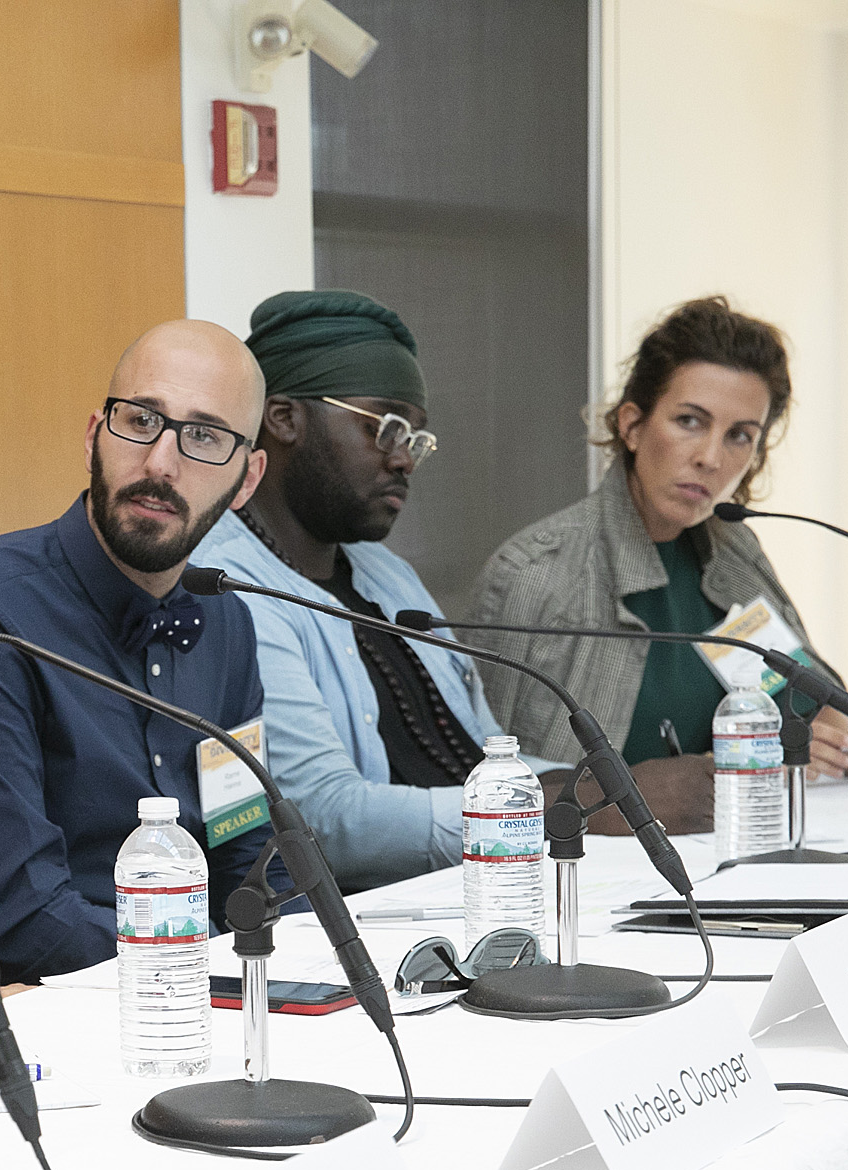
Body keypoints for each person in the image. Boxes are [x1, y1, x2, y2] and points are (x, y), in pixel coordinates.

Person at [196, 289, 715, 892]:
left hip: (481, 881)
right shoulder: (225, 585)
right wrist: (580, 802)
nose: (405, 460)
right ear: (283, 418)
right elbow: (324, 820)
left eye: (416, 439)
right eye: (387, 428)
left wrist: (610, 786)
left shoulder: (386, 575)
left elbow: (479, 754)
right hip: (363, 922)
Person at [0, 319, 289, 983]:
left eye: (204, 437)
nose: (160, 462)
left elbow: (251, 852)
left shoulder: (224, 620)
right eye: (141, 420)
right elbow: (20, 916)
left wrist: (288, 962)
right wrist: (206, 963)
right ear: (95, 434)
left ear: (246, 478)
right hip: (31, 1019)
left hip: (192, 990)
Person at [472, 296, 848, 781]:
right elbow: (483, 786)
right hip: (592, 854)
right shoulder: (535, 574)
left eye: (739, 435)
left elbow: (810, 701)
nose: (711, 457)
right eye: (690, 421)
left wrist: (845, 739)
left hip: (730, 840)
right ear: (632, 425)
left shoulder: (735, 550)